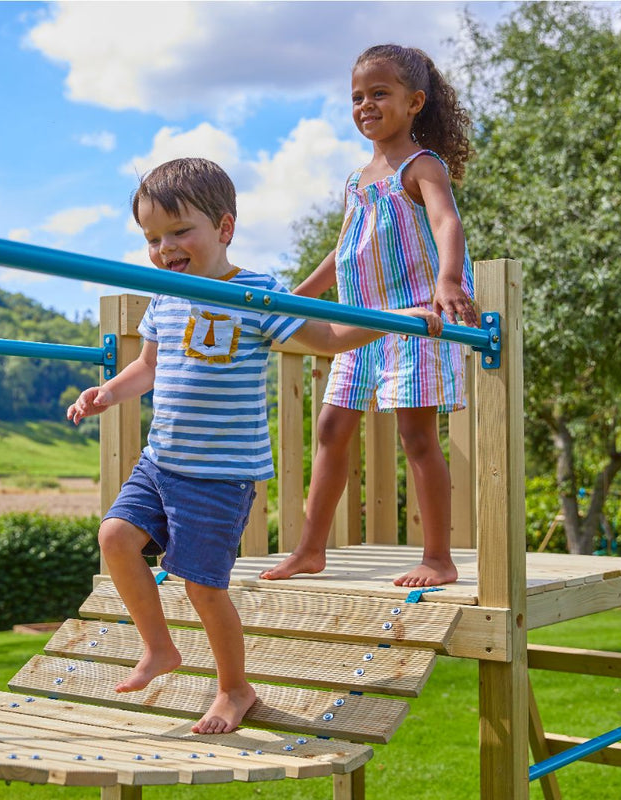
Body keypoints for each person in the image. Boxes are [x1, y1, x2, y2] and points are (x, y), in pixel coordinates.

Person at [66, 157, 442, 735]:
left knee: (201, 585)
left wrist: (396, 320)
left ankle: (234, 690)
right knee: (114, 537)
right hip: (161, 459)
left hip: (218, 473)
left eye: (179, 231)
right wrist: (108, 393)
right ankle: (159, 648)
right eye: (152, 238)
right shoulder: (165, 296)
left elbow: (324, 339)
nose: (165, 248)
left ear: (224, 228)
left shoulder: (257, 293)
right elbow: (147, 367)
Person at [260, 44, 479, 588]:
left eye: (379, 93)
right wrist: (295, 298)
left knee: (417, 437)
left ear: (415, 102)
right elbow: (343, 251)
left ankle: (438, 558)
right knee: (332, 426)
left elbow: (446, 222)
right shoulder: (357, 181)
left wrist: (447, 281)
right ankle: (311, 549)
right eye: (357, 96)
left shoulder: (422, 165)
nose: (365, 105)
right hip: (363, 326)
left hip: (414, 321)